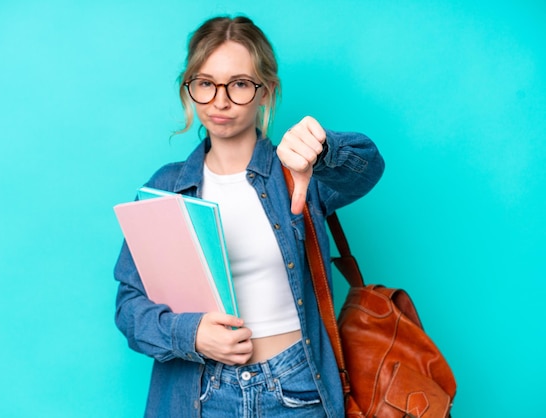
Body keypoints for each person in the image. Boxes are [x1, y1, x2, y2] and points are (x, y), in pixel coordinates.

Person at [114, 15, 384, 418]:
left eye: (239, 84)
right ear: (189, 89)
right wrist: (192, 335)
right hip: (203, 392)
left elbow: (368, 168)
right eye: (205, 83)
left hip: (297, 388)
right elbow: (129, 307)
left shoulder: (296, 172)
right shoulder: (165, 187)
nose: (220, 101)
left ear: (266, 92)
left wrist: (323, 149)